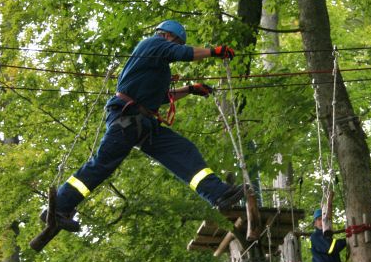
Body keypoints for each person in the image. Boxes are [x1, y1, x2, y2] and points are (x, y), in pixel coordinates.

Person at [41, 20, 244, 232]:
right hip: (126, 118)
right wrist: (214, 51)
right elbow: (182, 53)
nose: (174, 49)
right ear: (168, 36)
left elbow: (163, 97)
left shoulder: (155, 65)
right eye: (175, 43)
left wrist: (190, 89)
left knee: (183, 151)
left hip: (143, 124)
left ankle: (218, 193)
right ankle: (58, 208)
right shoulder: (152, 44)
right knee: (102, 164)